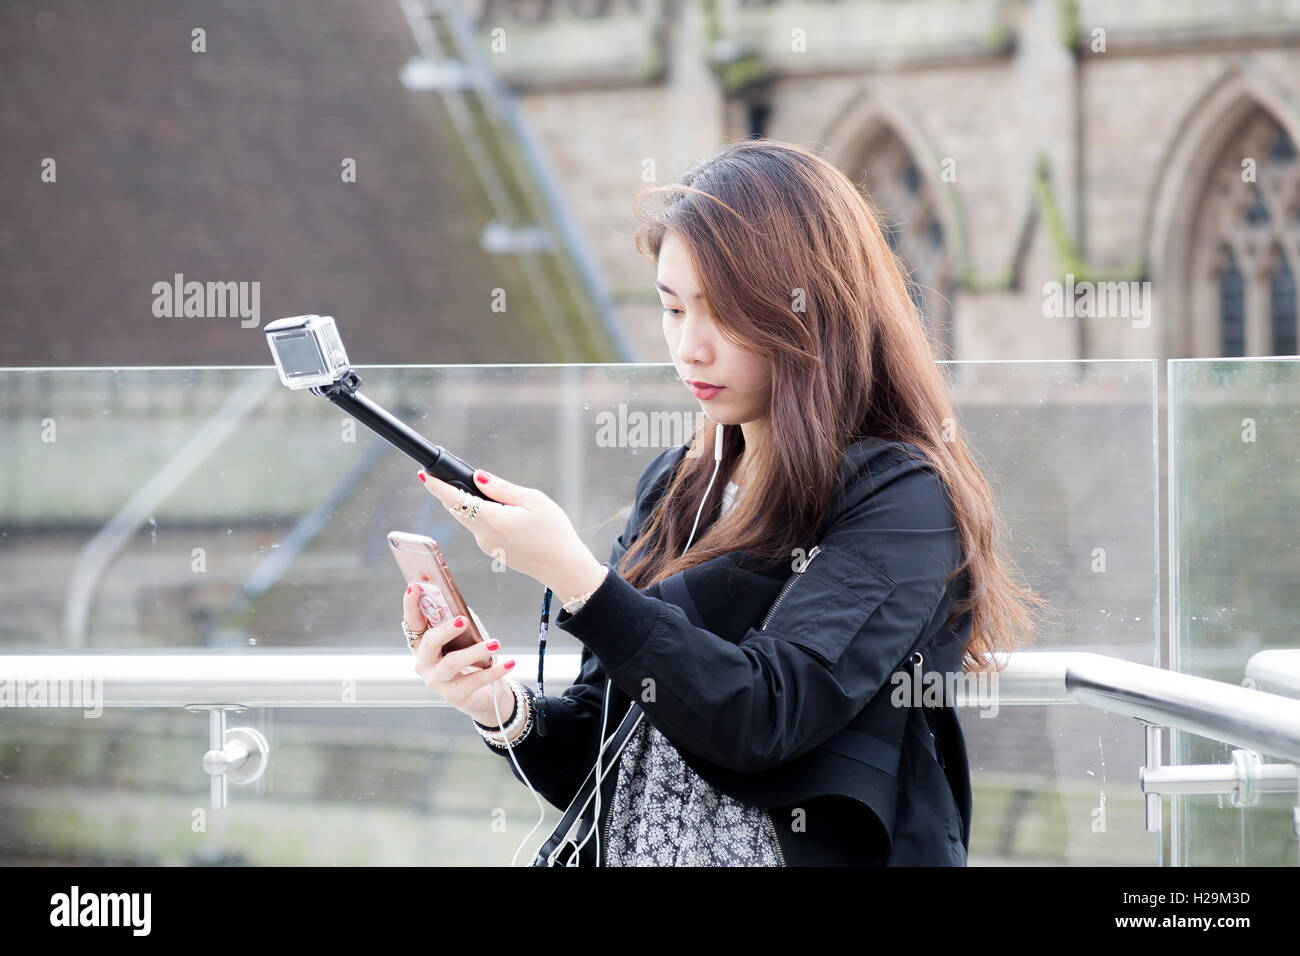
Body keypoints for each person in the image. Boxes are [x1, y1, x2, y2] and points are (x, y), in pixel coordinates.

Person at [404, 138, 1048, 866]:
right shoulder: (681, 480)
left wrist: (579, 580)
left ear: (813, 313)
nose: (689, 348)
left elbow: (766, 714)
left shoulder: (901, 498)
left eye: (724, 315)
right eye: (672, 309)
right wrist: (499, 707)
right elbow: (608, 749)